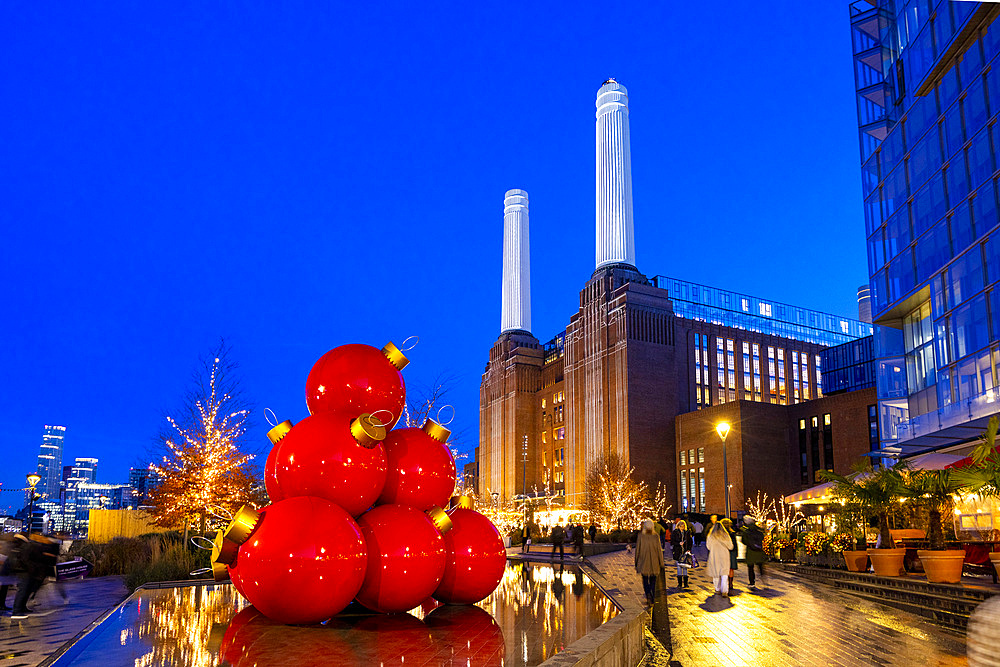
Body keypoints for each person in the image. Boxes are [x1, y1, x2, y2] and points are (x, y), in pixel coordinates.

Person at [634, 519, 664, 605]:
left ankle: (648, 594)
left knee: (645, 579)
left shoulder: (641, 536)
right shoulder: (656, 536)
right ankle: (652, 596)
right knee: (653, 581)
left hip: (644, 561)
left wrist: (636, 562)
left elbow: (638, 550)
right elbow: (659, 550)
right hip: (654, 562)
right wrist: (661, 562)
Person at [706, 521, 734, 597]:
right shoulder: (725, 535)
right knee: (724, 574)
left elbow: (708, 546)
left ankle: (717, 589)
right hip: (724, 556)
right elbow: (731, 546)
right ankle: (724, 590)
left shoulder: (710, 536)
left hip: (714, 556)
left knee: (716, 573)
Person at [742, 516, 767, 589]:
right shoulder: (759, 531)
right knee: (760, 566)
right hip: (759, 551)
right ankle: (763, 579)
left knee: (750, 567)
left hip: (750, 551)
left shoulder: (746, 532)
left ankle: (752, 582)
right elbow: (762, 537)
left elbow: (744, 541)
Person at [720, 518, 739, 592]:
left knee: (724, 568)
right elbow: (735, 544)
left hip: (723, 552)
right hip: (732, 552)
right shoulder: (732, 533)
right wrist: (736, 553)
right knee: (731, 568)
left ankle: (724, 583)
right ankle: (730, 583)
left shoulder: (721, 534)